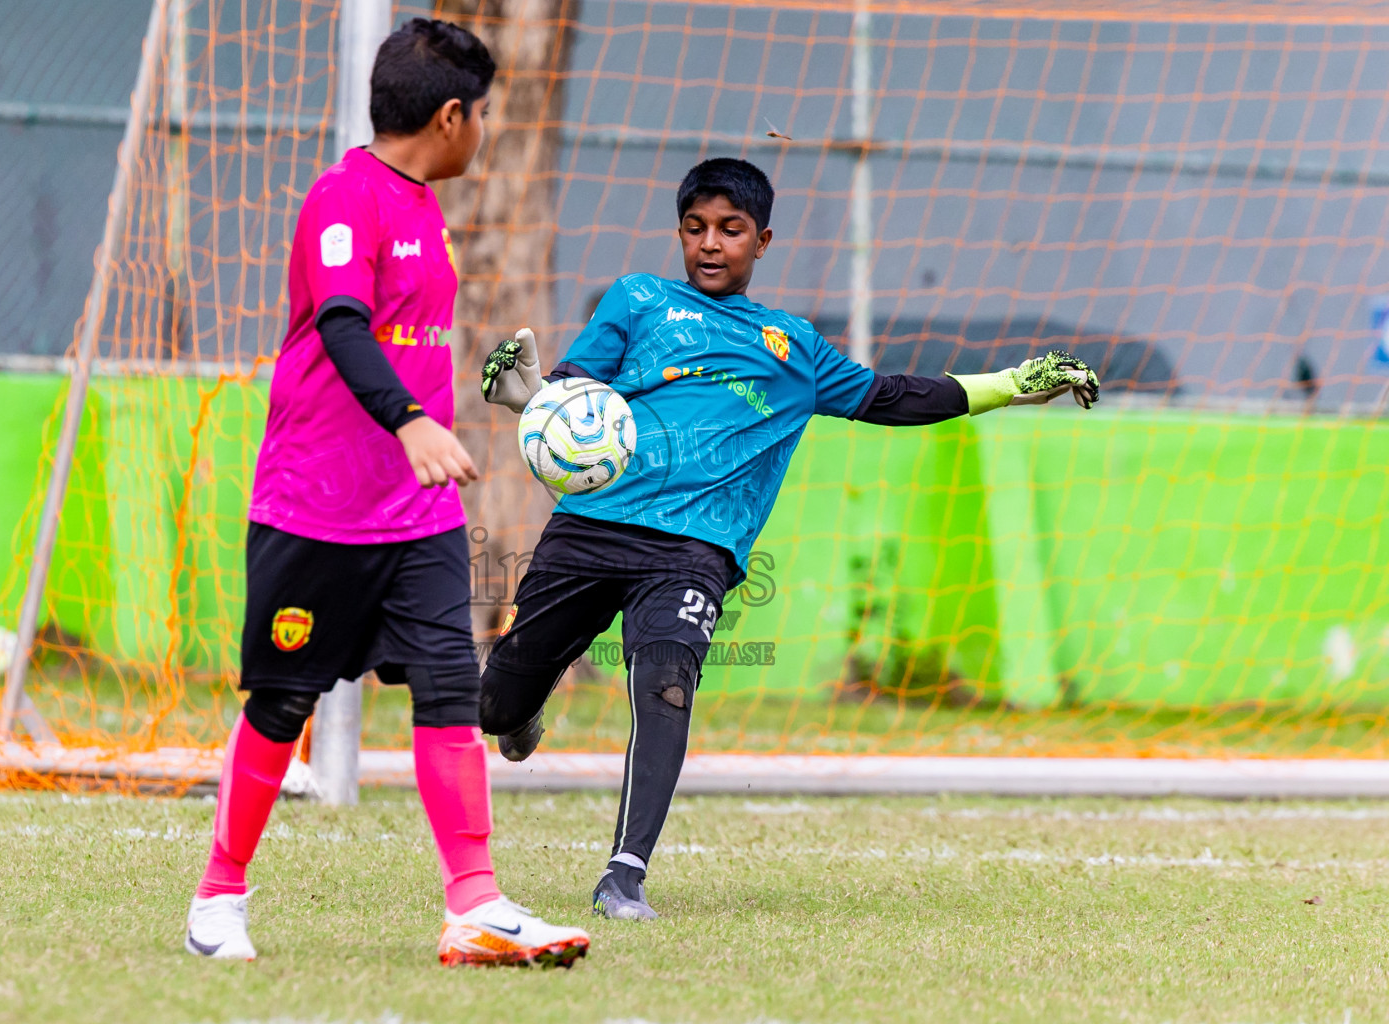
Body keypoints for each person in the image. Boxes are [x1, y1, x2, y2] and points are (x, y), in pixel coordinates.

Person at [479, 157, 1098, 920]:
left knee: (666, 681)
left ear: (762, 240)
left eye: (730, 230)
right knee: (494, 703)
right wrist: (534, 397)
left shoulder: (792, 346)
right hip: (591, 530)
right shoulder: (638, 300)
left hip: (693, 550)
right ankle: (518, 713)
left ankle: (625, 875)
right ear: (680, 232)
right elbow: (578, 400)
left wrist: (1013, 385)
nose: (711, 244)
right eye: (697, 228)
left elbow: (895, 397)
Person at [184, 17, 589, 967]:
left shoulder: (422, 209)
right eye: (481, 114)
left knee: (452, 689)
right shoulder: (343, 198)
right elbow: (340, 323)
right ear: (449, 116)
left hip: (417, 516)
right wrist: (409, 422)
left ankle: (476, 904)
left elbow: (420, 340)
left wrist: (528, 393)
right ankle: (218, 898)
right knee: (284, 705)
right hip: (315, 507)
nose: (484, 131)